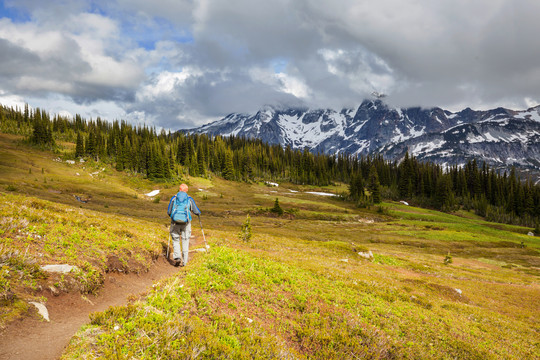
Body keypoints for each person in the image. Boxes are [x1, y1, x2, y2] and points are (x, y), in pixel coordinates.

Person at [167, 183, 201, 266]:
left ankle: (177, 257)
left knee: (176, 240)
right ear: (186, 191)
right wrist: (198, 214)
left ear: (179, 189)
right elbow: (196, 211)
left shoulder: (174, 198)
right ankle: (185, 262)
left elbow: (169, 212)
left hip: (175, 223)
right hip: (186, 224)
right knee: (185, 240)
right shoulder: (189, 199)